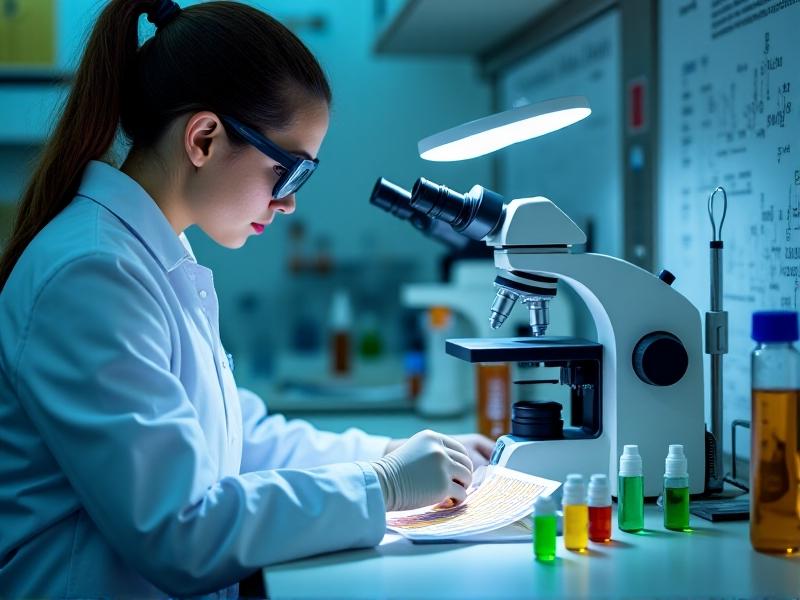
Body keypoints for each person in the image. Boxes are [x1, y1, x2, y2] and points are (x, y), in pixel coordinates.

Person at [0, 1, 495, 597]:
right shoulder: (92, 273)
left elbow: (238, 439)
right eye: (288, 173)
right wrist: (382, 485)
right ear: (203, 139)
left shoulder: (148, 254)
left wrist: (391, 453)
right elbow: (178, 532)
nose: (289, 203)